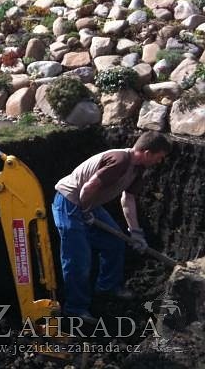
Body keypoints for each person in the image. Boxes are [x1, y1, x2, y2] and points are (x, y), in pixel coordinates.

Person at [52, 132, 172, 322]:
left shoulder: (138, 169)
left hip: (88, 204)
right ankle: (75, 308)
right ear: (147, 153)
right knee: (79, 259)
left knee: (114, 242)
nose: (159, 161)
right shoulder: (120, 161)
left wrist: (136, 232)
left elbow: (128, 199)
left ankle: (107, 287)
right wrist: (85, 211)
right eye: (159, 157)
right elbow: (88, 187)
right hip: (70, 202)